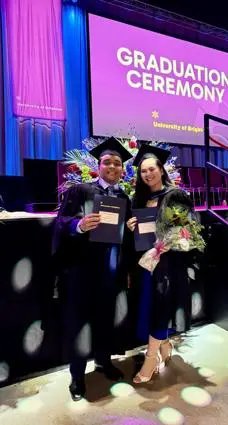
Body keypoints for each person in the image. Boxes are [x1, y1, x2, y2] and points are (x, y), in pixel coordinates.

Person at [52, 137, 133, 401]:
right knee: (79, 323)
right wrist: (79, 225)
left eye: (117, 163)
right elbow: (61, 221)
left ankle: (103, 361)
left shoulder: (124, 197)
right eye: (106, 161)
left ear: (123, 170)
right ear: (98, 166)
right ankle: (77, 376)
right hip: (82, 271)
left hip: (110, 269)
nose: (112, 166)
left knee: (105, 318)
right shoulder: (80, 191)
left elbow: (127, 237)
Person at [127, 144, 205, 384]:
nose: (147, 174)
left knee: (160, 307)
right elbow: (136, 235)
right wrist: (130, 228)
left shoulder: (175, 195)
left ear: (161, 170)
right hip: (146, 265)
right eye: (143, 171)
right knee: (149, 308)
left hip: (168, 265)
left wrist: (164, 245)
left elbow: (187, 229)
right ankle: (164, 344)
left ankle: (151, 358)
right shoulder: (137, 199)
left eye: (152, 169)